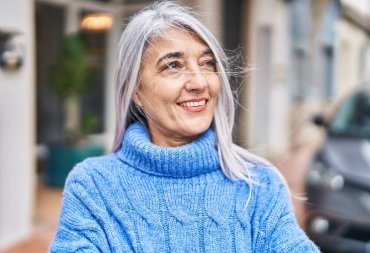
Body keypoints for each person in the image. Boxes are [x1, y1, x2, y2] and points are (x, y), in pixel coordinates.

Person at [50, 2, 320, 252]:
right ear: (136, 91)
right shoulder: (93, 187)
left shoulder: (258, 185)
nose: (199, 82)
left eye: (207, 64)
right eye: (173, 65)